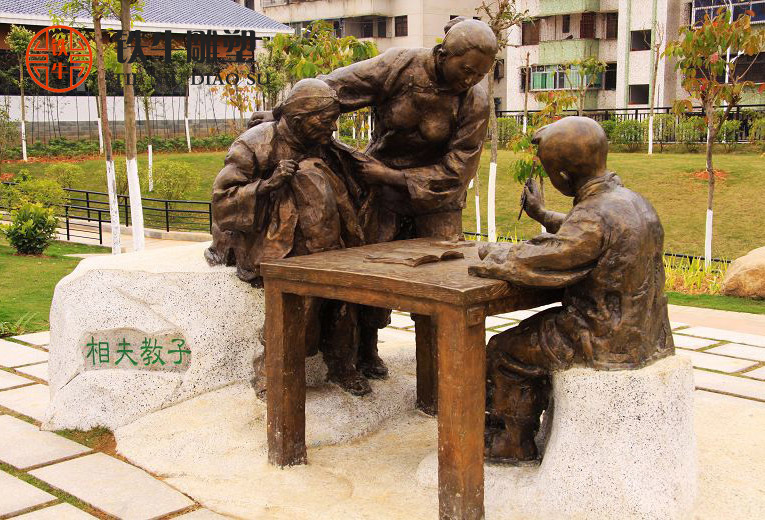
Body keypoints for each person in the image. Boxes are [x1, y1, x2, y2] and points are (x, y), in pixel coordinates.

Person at [470, 117, 674, 464]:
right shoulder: (632, 202)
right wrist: (541, 214)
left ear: (562, 176)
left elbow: (547, 260)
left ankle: (514, 442)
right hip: (648, 333)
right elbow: (584, 232)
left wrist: (494, 254)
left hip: (604, 337)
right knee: (533, 330)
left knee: (505, 350)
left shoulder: (593, 216)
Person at [318, 17, 499, 378]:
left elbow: (458, 171)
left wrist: (392, 176)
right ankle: (364, 348)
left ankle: (439, 368)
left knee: (444, 282)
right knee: (370, 274)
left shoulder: (475, 101)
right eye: (466, 70)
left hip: (437, 198)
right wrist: (286, 114)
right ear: (443, 53)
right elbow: (331, 89)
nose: (470, 80)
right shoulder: (400, 65)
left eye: (480, 74)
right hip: (381, 191)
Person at [205, 78, 374, 395]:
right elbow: (223, 202)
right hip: (271, 238)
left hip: (326, 236)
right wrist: (268, 184)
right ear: (300, 118)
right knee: (301, 292)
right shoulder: (254, 145)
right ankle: (271, 370)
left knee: (348, 292)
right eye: (326, 120)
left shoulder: (321, 143)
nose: (333, 128)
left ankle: (341, 363)